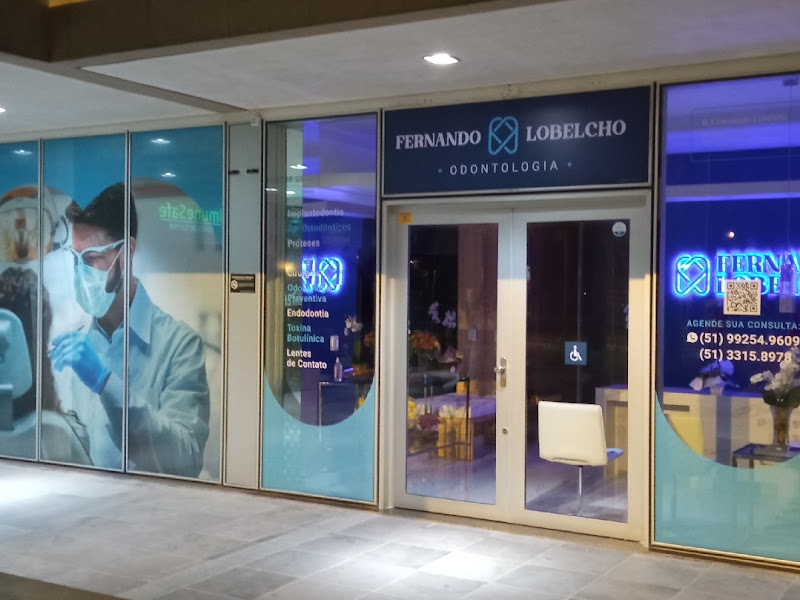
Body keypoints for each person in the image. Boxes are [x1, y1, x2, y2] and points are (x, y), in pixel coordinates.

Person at [49, 182, 210, 477]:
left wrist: (105, 382)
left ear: (128, 251)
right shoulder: (73, 341)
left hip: (146, 502)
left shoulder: (179, 345)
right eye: (75, 259)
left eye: (92, 259)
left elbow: (186, 458)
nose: (80, 272)